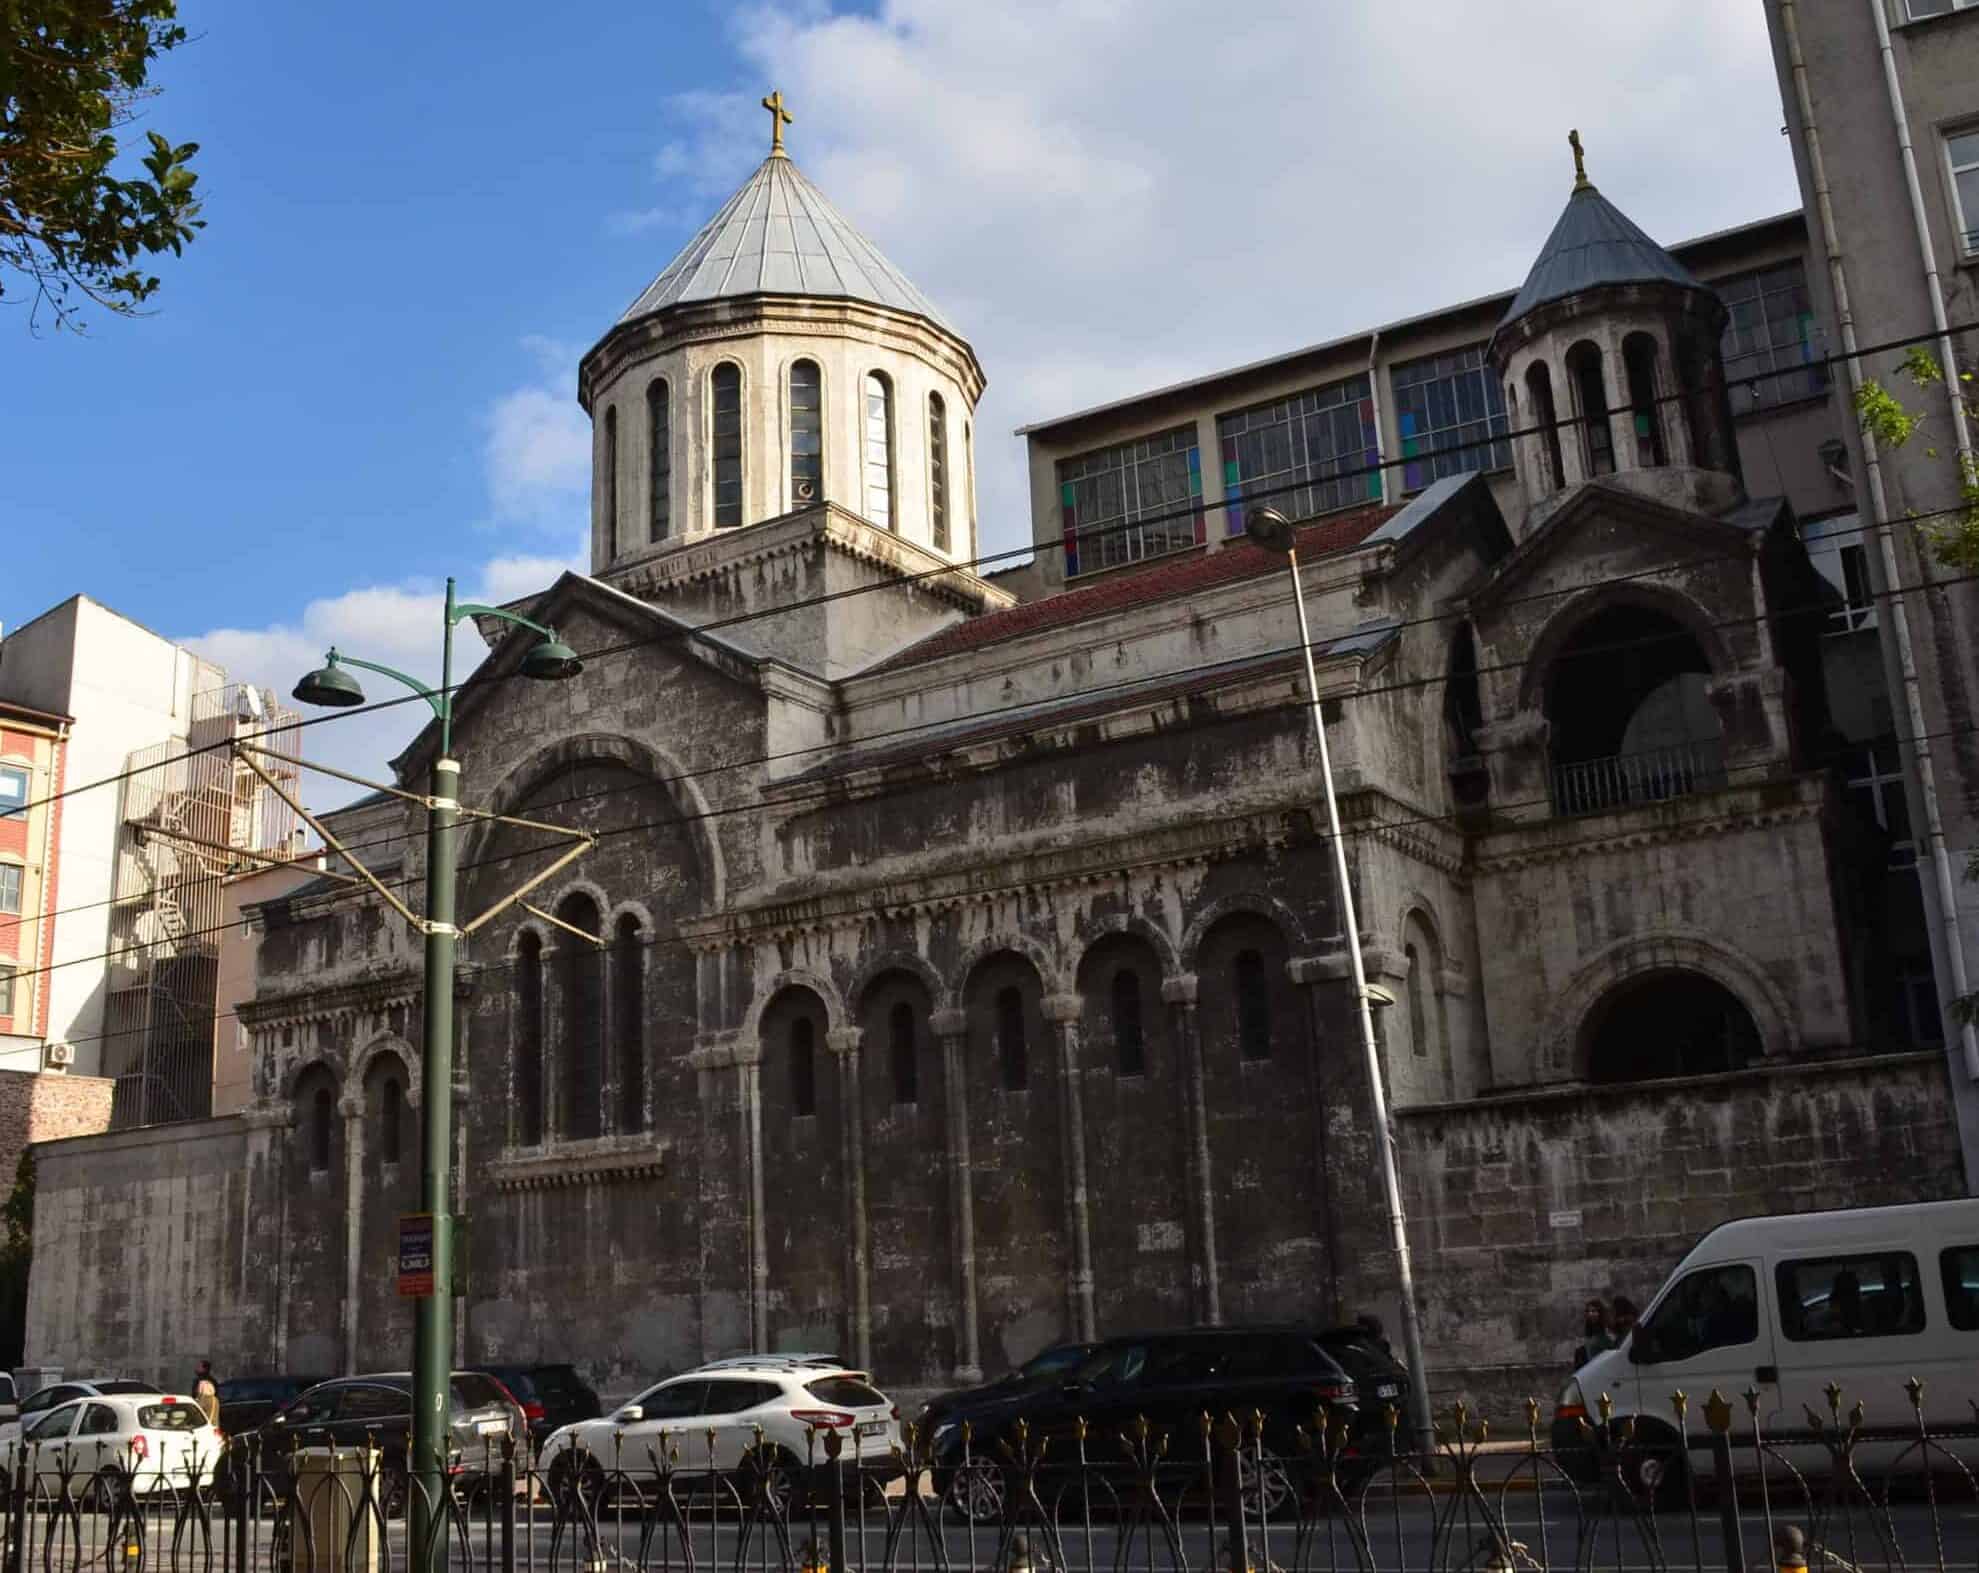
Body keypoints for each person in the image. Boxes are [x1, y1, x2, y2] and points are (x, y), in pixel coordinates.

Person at [1574, 1298, 1614, 1366]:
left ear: (1600, 1312)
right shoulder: (1590, 1331)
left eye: (1593, 1311)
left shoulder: (1606, 1330)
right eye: (1588, 1311)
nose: (1590, 1314)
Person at [192, 1360, 220, 1427]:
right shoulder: (212, 1380)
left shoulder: (201, 1381)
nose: (196, 1368)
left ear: (204, 1369)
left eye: (199, 1366)